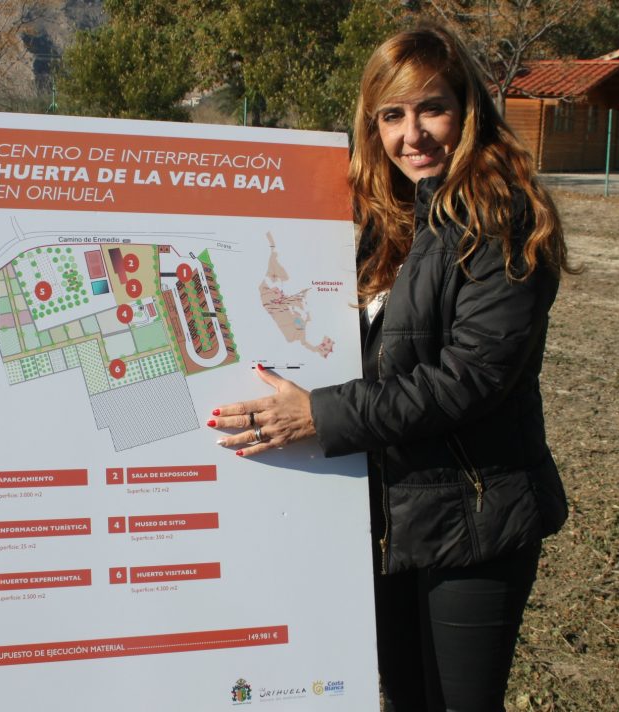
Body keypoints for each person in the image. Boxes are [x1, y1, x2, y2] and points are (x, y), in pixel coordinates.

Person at [208, 26, 573, 712]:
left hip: (475, 520)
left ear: (467, 111)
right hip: (389, 516)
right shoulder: (394, 218)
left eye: (431, 108)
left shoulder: (501, 217)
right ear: (372, 126)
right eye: (392, 115)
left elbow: (469, 379)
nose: (414, 134)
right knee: (404, 697)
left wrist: (318, 413)